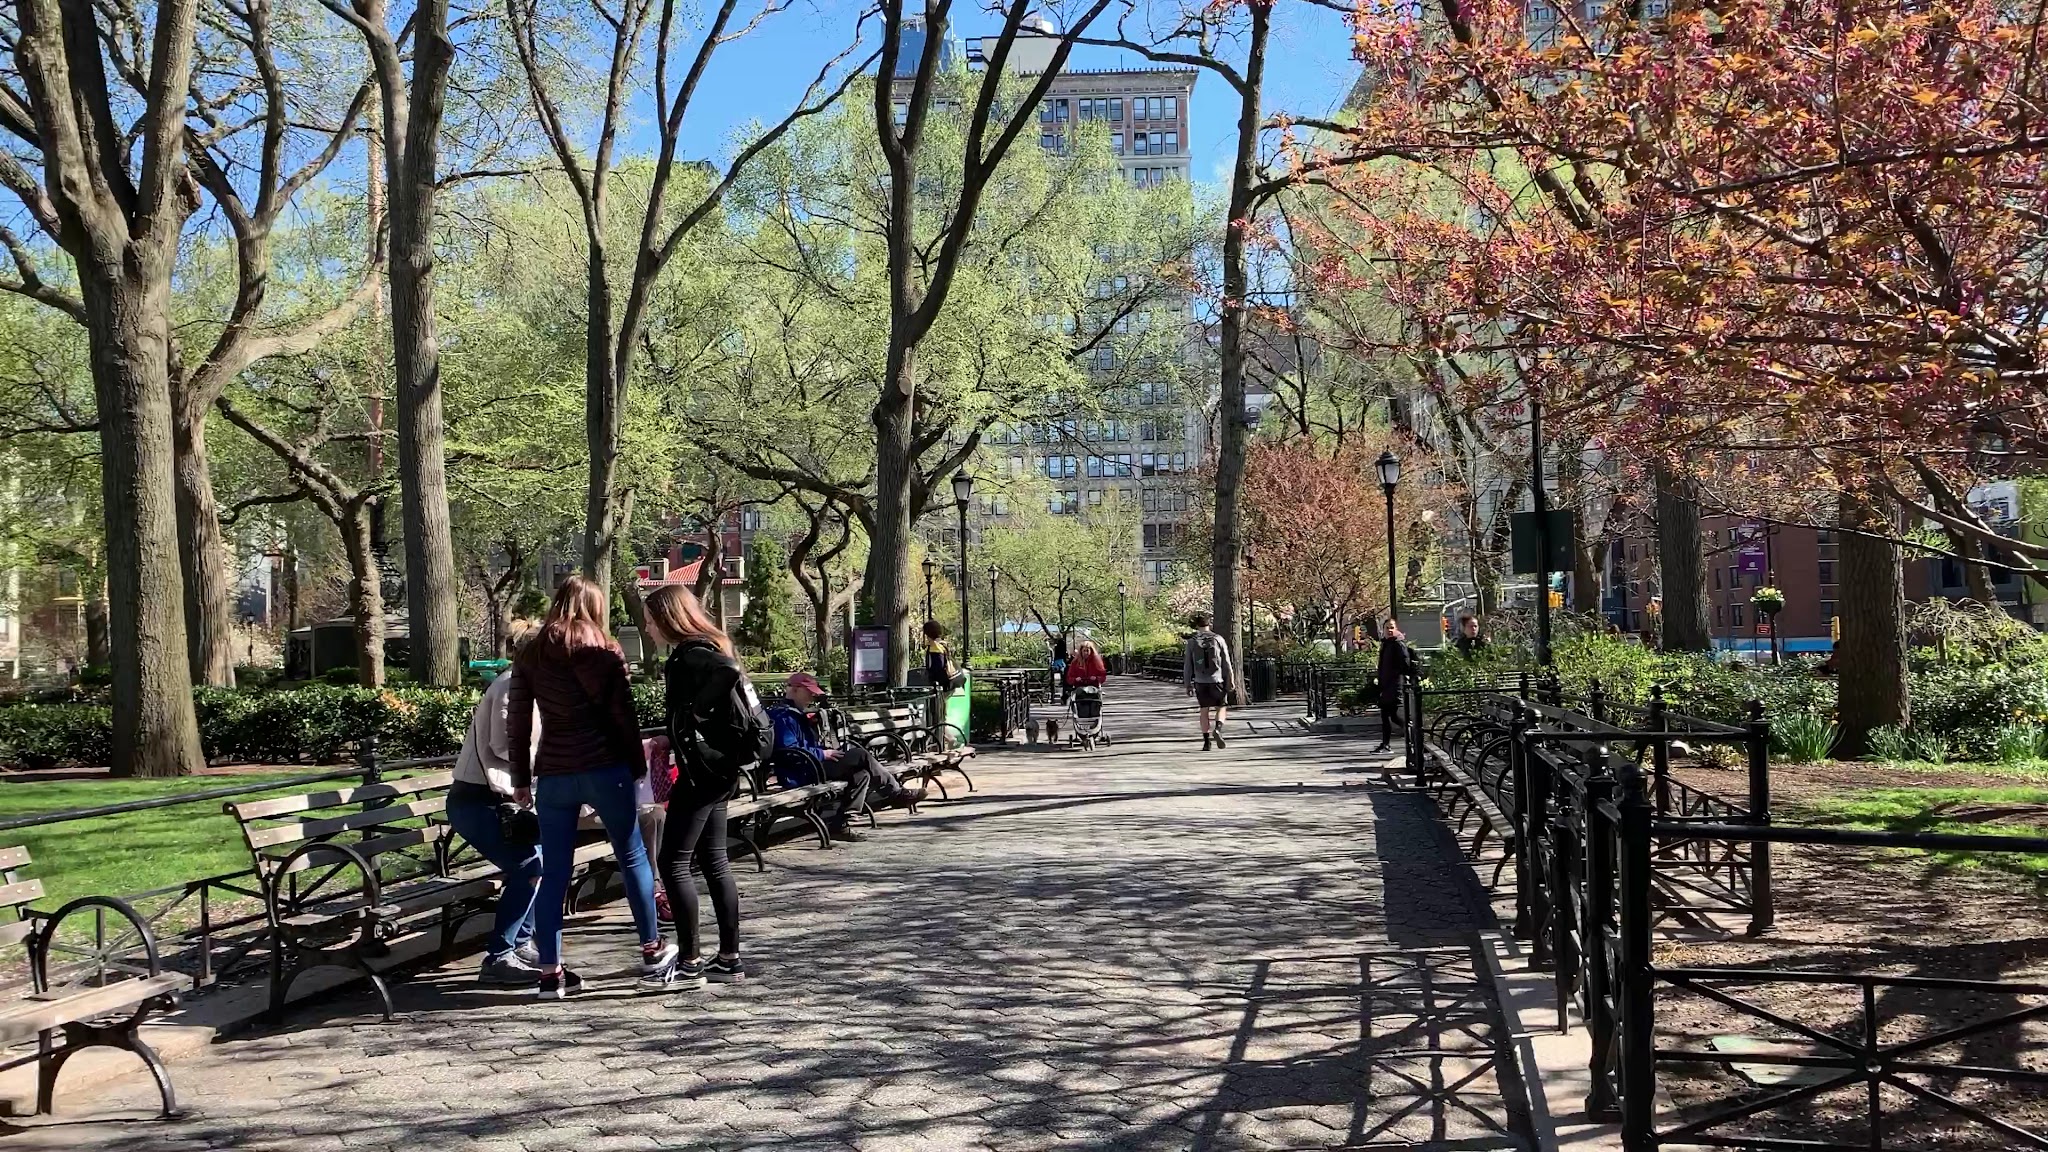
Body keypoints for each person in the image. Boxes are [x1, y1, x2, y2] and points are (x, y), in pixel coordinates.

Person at [508, 577, 673, 999]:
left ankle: (550, 973)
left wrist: (521, 779)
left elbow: (520, 720)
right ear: (593, 606)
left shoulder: (531, 650)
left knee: (555, 872)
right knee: (632, 854)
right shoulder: (603, 647)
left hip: (556, 772)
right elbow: (623, 713)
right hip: (604, 767)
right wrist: (637, 767)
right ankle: (651, 952)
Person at [640, 583, 772, 988]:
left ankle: (690, 960)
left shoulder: (691, 656)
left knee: (672, 863)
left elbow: (726, 674)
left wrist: (691, 715)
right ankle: (729, 958)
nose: (646, 628)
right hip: (723, 769)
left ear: (667, 619)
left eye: (648, 620)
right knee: (715, 862)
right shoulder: (714, 645)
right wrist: (674, 733)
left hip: (702, 774)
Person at [446, 619, 544, 985]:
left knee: (542, 863)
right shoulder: (509, 687)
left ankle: (521, 942)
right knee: (529, 866)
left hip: (506, 801)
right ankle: (499, 956)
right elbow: (504, 745)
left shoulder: (531, 687)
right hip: (479, 802)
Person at [769, 672, 928, 841]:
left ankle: (841, 824)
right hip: (802, 771)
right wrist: (823, 753)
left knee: (862, 774)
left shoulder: (795, 714)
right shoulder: (782, 717)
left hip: (812, 765)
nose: (812, 696)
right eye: (809, 692)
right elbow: (790, 752)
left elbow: (803, 746)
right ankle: (895, 794)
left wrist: (822, 745)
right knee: (861, 755)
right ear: (794, 690)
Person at [1182, 613, 1236, 750]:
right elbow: (1226, 662)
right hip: (1217, 679)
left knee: (1204, 711)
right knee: (1221, 707)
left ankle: (1206, 742)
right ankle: (1218, 729)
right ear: (1209, 624)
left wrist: (1187, 684)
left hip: (1200, 681)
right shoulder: (1218, 639)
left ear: (1196, 625)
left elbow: (1188, 665)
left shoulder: (1192, 641)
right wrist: (1230, 679)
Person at [1373, 621, 1415, 753]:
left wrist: (1396, 676)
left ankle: (1414, 736)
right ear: (1383, 630)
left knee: (1394, 716)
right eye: (1387, 628)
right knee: (1386, 716)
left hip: (1395, 685)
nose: (1389, 630)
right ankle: (1386, 744)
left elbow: (1405, 664)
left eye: (1392, 628)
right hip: (1385, 685)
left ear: (1397, 629)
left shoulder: (1398, 644)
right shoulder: (1386, 644)